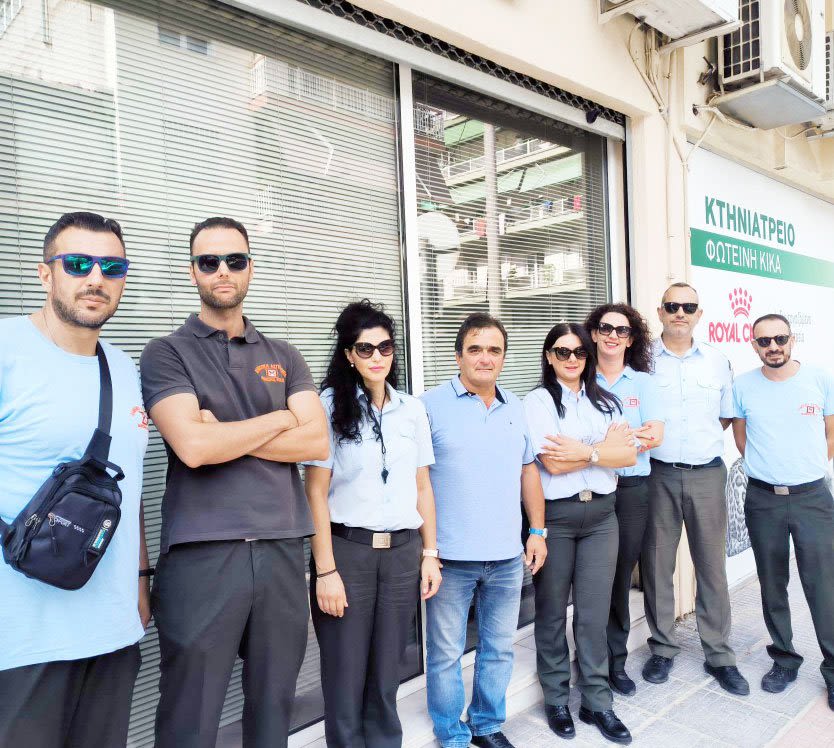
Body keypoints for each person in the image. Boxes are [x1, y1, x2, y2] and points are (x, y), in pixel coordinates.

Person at [139, 217, 328, 748]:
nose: (222, 270)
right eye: (209, 261)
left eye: (235, 260)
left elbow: (317, 441)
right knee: (190, 717)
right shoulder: (166, 352)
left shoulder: (284, 354)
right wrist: (281, 419)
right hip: (202, 554)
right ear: (192, 271)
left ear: (250, 267)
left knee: (274, 710)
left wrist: (222, 430)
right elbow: (194, 448)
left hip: (282, 548)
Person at [0, 212, 149, 747]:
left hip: (112, 629)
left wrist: (139, 581)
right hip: (22, 638)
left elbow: (128, 490)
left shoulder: (125, 369)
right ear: (45, 274)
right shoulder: (7, 349)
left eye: (112, 267)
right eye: (78, 264)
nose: (96, 279)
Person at [305, 299, 443, 747]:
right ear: (349, 354)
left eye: (385, 347)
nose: (377, 356)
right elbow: (315, 493)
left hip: (402, 554)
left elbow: (422, 486)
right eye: (365, 348)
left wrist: (430, 553)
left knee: (387, 673)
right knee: (344, 675)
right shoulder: (327, 407)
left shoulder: (411, 409)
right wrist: (325, 570)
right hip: (348, 554)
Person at [421, 313, 547, 748]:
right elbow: (417, 481)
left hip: (507, 557)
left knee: (499, 648)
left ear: (504, 358)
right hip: (450, 559)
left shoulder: (515, 407)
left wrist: (538, 530)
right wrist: (428, 551)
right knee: (445, 654)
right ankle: (451, 734)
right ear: (458, 356)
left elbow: (528, 471)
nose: (485, 358)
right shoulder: (428, 406)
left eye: (494, 350)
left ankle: (486, 724)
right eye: (475, 349)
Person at [523, 322, 637, 744]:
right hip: (557, 518)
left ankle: (596, 701)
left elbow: (627, 455)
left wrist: (585, 452)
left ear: (588, 357)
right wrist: (602, 451)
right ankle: (556, 698)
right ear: (549, 356)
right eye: (562, 351)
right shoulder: (537, 402)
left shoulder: (605, 401)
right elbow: (552, 464)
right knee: (552, 611)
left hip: (603, 516)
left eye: (579, 352)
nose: (572, 359)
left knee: (593, 614)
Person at [641, 283, 750, 695]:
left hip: (707, 473)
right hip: (658, 474)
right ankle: (662, 648)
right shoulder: (642, 360)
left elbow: (724, 416)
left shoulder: (718, 361)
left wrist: (696, 442)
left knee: (711, 568)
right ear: (660, 311)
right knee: (657, 566)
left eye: (688, 306)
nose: (680, 313)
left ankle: (719, 655)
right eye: (672, 305)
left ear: (699, 314)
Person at [732, 314, 834, 711]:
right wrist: (770, 469)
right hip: (764, 500)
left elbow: (830, 432)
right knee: (772, 583)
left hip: (812, 498)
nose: (773, 346)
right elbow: (742, 437)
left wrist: (806, 466)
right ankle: (785, 659)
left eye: (779, 338)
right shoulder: (743, 386)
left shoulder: (820, 378)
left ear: (792, 340)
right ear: (754, 345)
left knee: (823, 586)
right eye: (764, 341)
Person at [584, 303, 664, 696]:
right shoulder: (582, 378)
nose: (613, 336)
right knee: (592, 579)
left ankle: (615, 662)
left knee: (618, 578)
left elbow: (656, 436)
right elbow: (575, 436)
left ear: (631, 339)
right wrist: (627, 439)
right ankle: (591, 660)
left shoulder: (644, 383)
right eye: (605, 328)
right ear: (594, 334)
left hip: (631, 491)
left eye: (622, 330)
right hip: (593, 491)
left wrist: (602, 444)